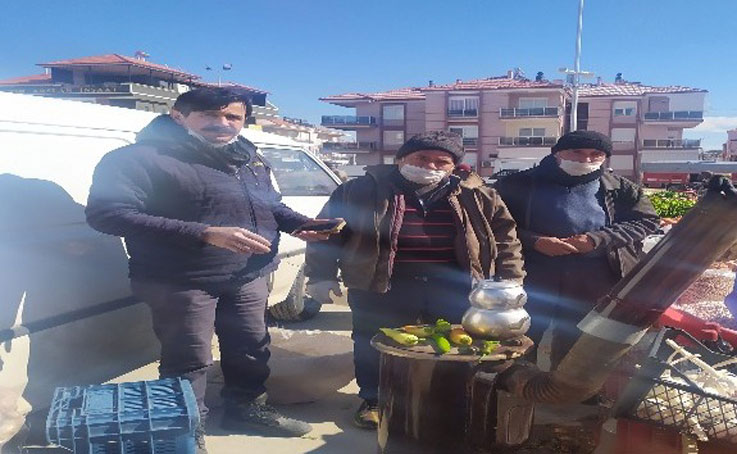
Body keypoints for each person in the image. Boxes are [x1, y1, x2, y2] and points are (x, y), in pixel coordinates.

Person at [85, 88, 335, 452]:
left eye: (232, 117)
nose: (223, 124)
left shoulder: (246, 157)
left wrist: (301, 224)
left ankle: (246, 409)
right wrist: (203, 233)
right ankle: (187, 430)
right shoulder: (137, 158)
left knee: (251, 347)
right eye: (209, 116)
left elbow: (269, 205)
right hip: (180, 279)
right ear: (178, 117)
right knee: (189, 358)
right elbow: (107, 214)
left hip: (248, 273)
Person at [304, 131, 525, 429]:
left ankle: (445, 400)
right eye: (421, 158)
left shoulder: (479, 194)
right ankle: (375, 400)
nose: (430, 166)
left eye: (441, 161)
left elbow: (506, 239)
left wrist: (511, 282)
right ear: (401, 159)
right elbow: (325, 233)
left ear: (453, 167)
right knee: (374, 343)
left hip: (454, 285)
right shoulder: (358, 190)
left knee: (454, 344)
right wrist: (320, 275)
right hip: (380, 282)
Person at [495, 130, 660, 369]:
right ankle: (512, 388)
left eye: (596, 154)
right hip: (532, 276)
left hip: (594, 279)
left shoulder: (621, 188)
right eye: (577, 152)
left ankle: (569, 395)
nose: (585, 160)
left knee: (579, 344)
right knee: (520, 336)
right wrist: (535, 241)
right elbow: (495, 224)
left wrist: (597, 239)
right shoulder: (517, 184)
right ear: (558, 153)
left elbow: (646, 221)